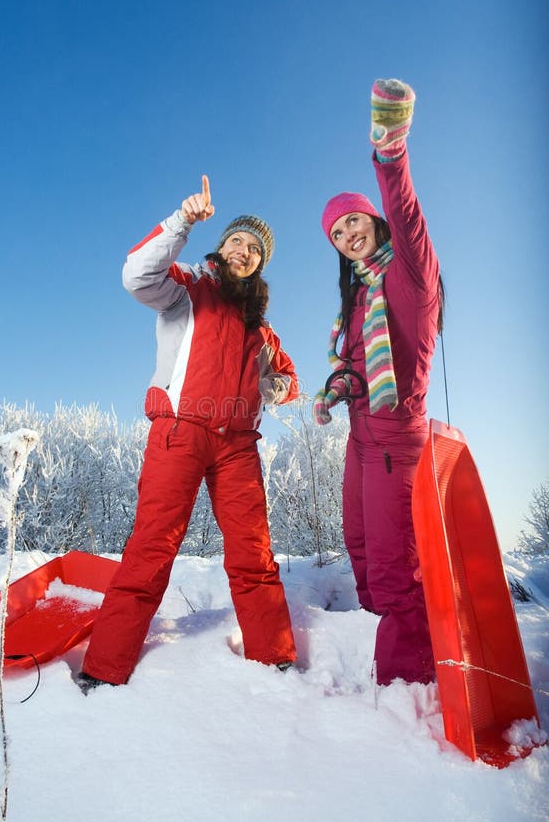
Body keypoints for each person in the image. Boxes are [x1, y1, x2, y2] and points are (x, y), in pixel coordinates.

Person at [78, 176, 298, 691]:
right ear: (221, 246)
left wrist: (278, 385)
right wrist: (181, 221)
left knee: (253, 551)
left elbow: (287, 381)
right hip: (180, 432)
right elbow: (136, 274)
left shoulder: (260, 327)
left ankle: (275, 660)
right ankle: (104, 669)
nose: (244, 252)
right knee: (152, 547)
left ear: (260, 265)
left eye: (255, 250)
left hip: (238, 446)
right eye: (237, 241)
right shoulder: (187, 288)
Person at [313, 79, 444, 687]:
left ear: (372, 217)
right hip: (363, 439)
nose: (347, 236)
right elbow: (360, 365)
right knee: (361, 547)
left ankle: (408, 686)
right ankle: (372, 648)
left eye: (352, 223)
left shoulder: (408, 276)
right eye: (336, 234)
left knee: (395, 568)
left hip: (397, 438)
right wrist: (337, 387)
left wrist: (391, 154)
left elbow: (407, 216)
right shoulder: (363, 293)